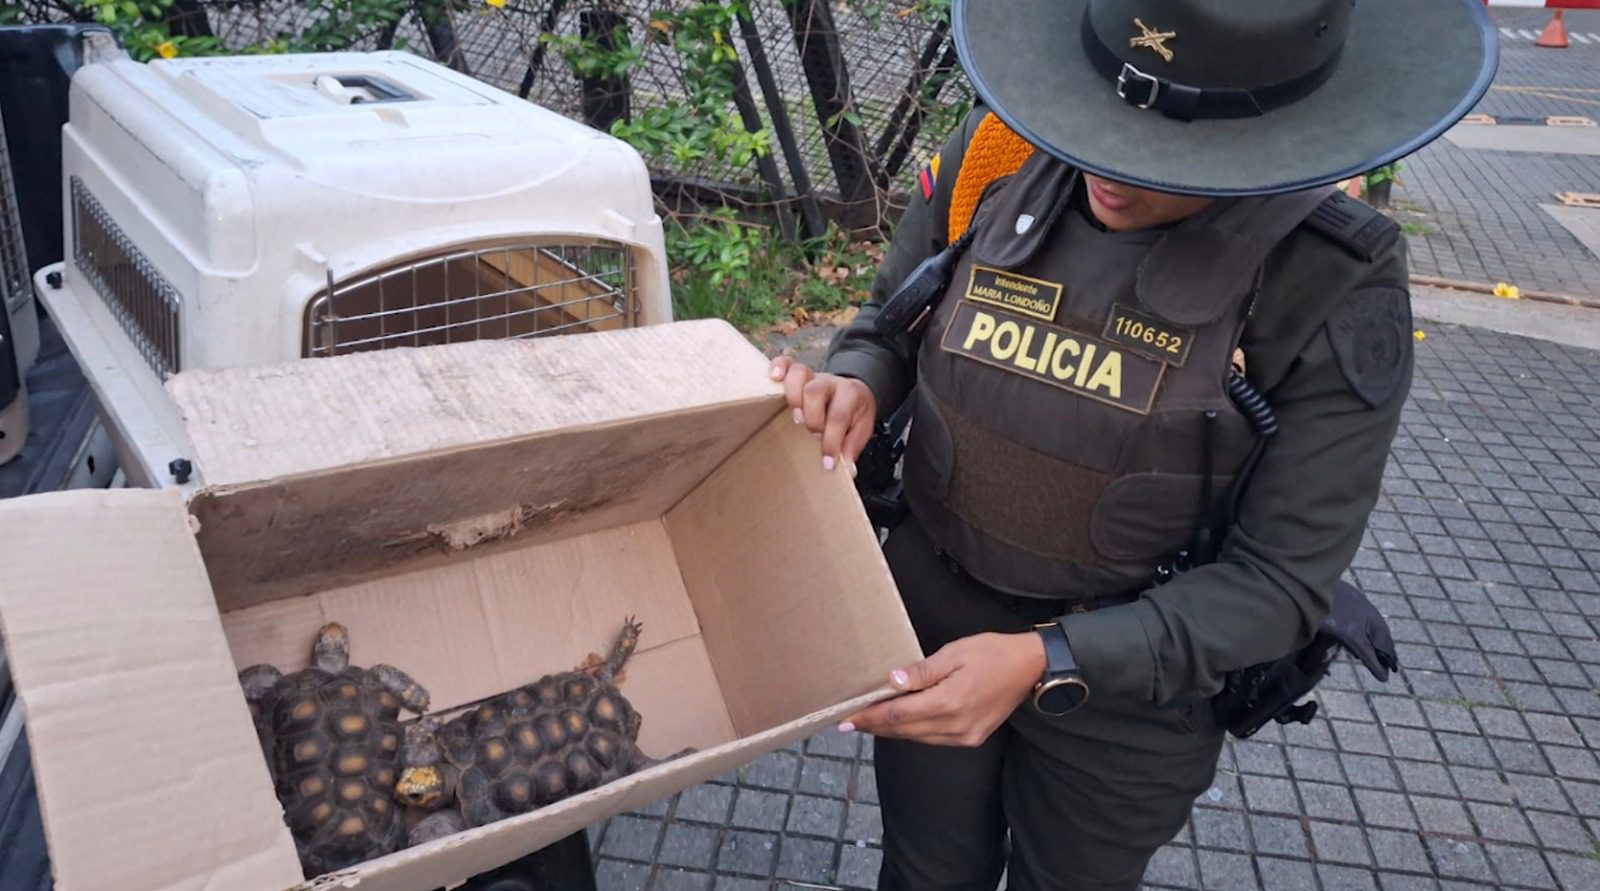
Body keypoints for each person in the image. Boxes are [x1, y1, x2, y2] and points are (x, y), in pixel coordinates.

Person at [767, 1, 1498, 889]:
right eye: (1095, 127)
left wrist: (1047, 656)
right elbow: (890, 324)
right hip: (926, 617)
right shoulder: (1004, 147)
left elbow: (1280, 582)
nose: (1107, 170)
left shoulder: (1328, 273)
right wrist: (859, 383)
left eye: (1157, 154)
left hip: (1127, 689)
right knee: (924, 869)